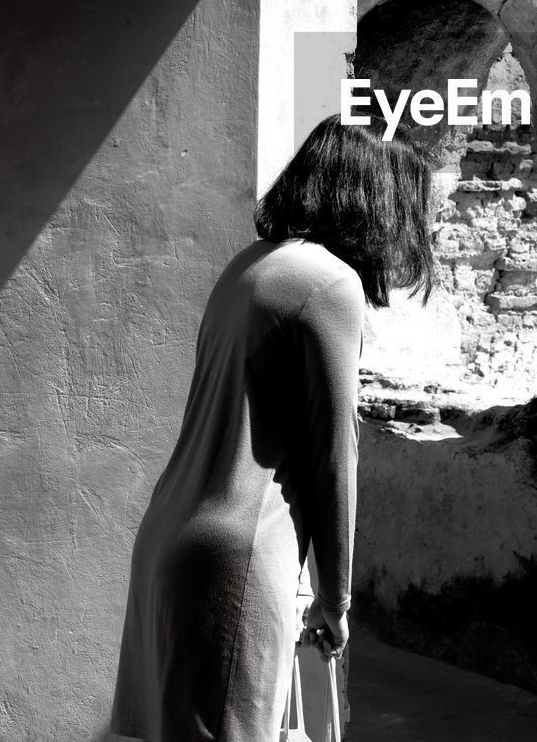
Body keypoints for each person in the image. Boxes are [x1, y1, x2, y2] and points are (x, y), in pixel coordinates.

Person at [109, 112, 435, 742]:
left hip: (165, 545)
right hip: (237, 559)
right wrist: (335, 601)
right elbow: (334, 455)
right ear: (367, 203)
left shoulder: (248, 265)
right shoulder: (330, 284)